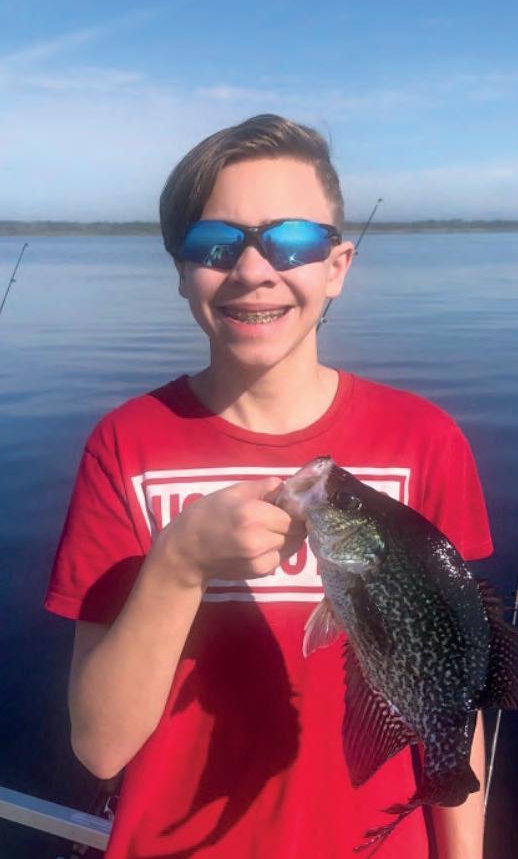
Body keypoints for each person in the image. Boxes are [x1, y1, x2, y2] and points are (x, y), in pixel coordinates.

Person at [45, 114, 492, 858]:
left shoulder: (426, 440)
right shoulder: (126, 445)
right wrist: (178, 565)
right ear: (181, 271)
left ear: (338, 265)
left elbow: (452, 687)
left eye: (292, 240)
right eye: (215, 245)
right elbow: (99, 746)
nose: (254, 270)